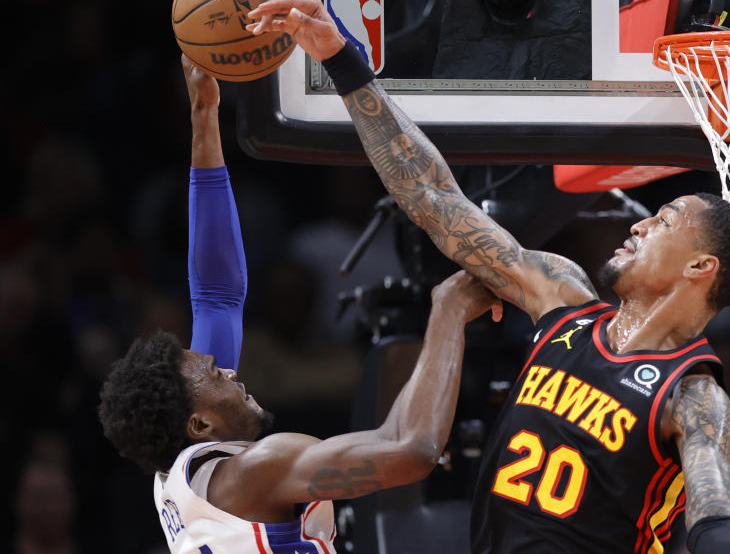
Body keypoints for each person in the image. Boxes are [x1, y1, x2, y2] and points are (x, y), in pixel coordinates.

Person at [246, 0, 730, 554]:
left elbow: (714, 513)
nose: (639, 227)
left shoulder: (692, 393)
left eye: (663, 221)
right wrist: (344, 63)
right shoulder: (562, 296)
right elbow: (433, 197)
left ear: (700, 267)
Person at [97, 56, 501, 553]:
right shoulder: (257, 469)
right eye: (215, 374)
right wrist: (450, 309)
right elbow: (411, 450)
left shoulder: (177, 481)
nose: (228, 370)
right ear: (199, 424)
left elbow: (217, 296)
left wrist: (205, 117)